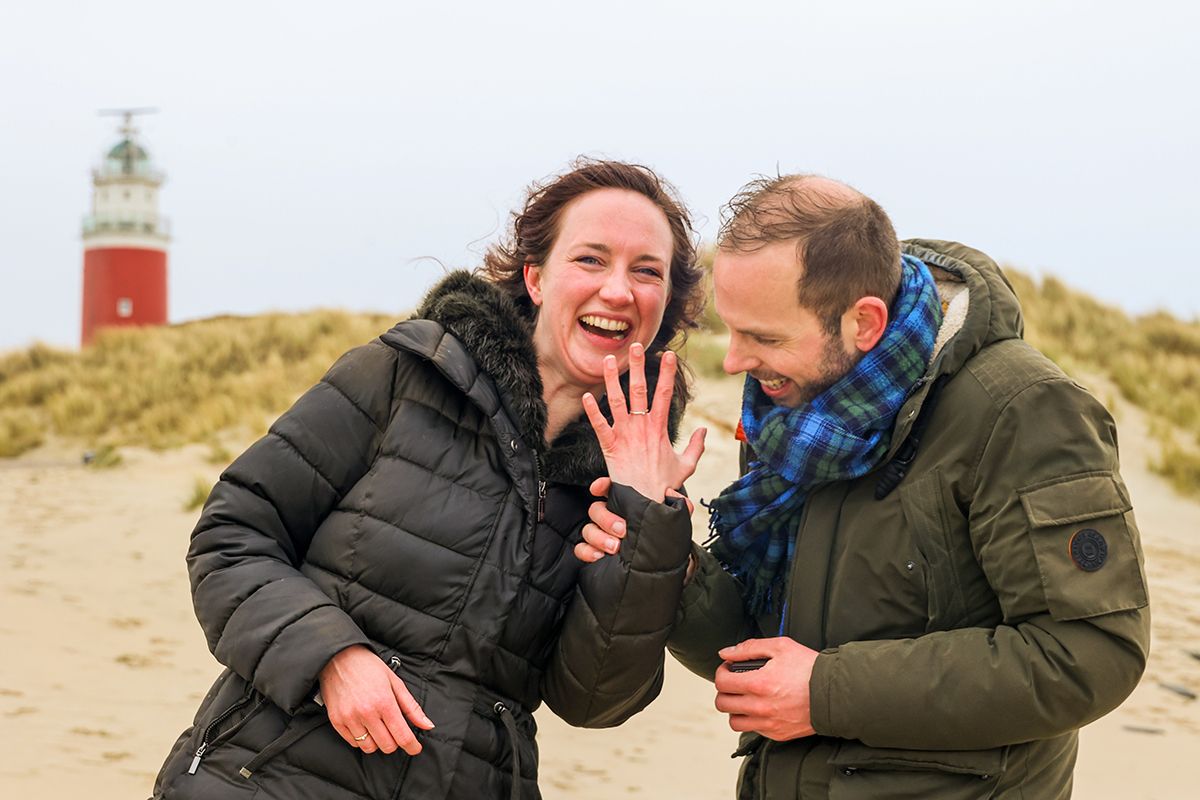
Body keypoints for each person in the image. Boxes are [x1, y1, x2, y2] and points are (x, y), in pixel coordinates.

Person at [150, 159, 709, 800]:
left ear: (664, 304)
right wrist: (330, 657)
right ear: (535, 277)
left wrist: (646, 525)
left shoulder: (637, 479)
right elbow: (231, 536)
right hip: (268, 777)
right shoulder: (404, 375)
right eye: (590, 259)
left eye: (647, 271)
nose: (618, 290)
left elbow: (593, 699)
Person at [578, 174, 1151, 798]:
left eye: (764, 337)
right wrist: (676, 570)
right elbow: (769, 652)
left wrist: (826, 693)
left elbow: (1090, 652)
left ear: (865, 322)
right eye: (733, 329)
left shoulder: (1022, 411)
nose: (736, 361)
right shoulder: (789, 413)